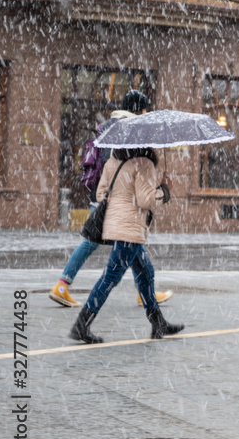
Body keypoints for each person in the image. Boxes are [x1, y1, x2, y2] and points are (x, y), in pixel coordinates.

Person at [51, 90, 172, 308]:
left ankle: (143, 291)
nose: (147, 113)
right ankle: (65, 288)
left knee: (128, 247)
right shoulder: (128, 129)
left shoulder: (106, 127)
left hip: (102, 196)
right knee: (114, 243)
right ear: (139, 109)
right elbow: (117, 165)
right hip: (114, 200)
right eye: (145, 109)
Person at [69, 145, 184, 344]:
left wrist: (121, 200)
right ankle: (81, 325)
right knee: (110, 277)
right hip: (130, 229)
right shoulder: (144, 163)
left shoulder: (113, 160)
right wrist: (164, 189)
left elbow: (100, 194)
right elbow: (145, 201)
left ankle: (158, 323)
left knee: (145, 272)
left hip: (115, 225)